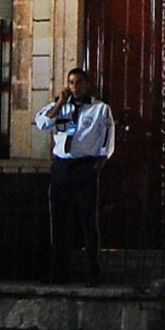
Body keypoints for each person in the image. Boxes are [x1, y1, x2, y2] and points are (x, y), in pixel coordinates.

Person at [34, 67, 115, 284]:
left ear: (88, 84)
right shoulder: (60, 107)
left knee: (88, 223)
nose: (75, 86)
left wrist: (96, 166)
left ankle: (92, 272)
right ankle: (58, 271)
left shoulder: (100, 109)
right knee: (59, 221)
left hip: (83, 167)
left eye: (79, 82)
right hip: (62, 167)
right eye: (71, 82)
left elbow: (106, 141)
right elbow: (42, 123)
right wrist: (60, 103)